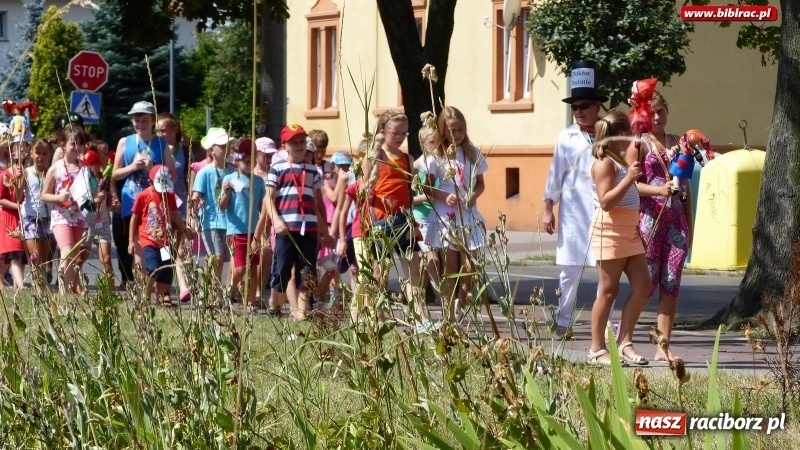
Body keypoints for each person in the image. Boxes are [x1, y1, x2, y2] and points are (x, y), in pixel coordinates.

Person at [626, 91, 692, 363]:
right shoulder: (638, 144)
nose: (657, 117)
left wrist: (690, 225)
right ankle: (624, 337)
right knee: (647, 283)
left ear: (668, 111)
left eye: (661, 111)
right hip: (649, 221)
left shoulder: (678, 143)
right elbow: (631, 184)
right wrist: (657, 190)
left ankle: (662, 347)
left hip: (676, 223)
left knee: (671, 284)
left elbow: (685, 189)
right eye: (651, 113)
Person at [541, 61, 606, 339]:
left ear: (597, 107)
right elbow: (555, 173)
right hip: (572, 212)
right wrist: (548, 208)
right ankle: (563, 319)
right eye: (574, 107)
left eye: (584, 106)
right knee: (570, 270)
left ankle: (603, 324)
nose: (579, 112)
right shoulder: (566, 137)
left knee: (606, 269)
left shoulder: (608, 134)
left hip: (603, 209)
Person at [586, 110, 651, 366]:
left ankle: (625, 342)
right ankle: (596, 349)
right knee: (609, 291)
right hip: (609, 231)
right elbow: (605, 202)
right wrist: (630, 180)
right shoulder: (605, 163)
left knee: (643, 286)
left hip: (628, 231)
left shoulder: (619, 160)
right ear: (622, 134)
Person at [360, 109, 431, 329]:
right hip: (381, 219)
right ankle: (377, 315)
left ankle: (420, 317)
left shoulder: (407, 158)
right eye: (395, 133)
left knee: (414, 268)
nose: (400, 138)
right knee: (381, 270)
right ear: (383, 132)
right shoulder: (375, 156)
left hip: (405, 219)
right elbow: (363, 188)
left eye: (404, 134)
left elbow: (409, 190)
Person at [261, 124, 332, 320]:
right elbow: (268, 198)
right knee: (282, 271)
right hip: (286, 229)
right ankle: (275, 303)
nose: (299, 145)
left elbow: (317, 204)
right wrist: (276, 220)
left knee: (307, 271)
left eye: (302, 141)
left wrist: (325, 232)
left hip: (308, 229)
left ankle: (301, 312)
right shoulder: (278, 169)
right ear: (285, 146)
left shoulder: (313, 171)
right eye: (294, 142)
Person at [425, 106, 488, 322]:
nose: (457, 134)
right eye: (452, 130)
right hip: (447, 218)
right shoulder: (436, 157)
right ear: (442, 130)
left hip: (468, 216)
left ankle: (463, 305)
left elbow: (480, 183)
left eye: (460, 129)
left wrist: (473, 195)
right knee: (451, 267)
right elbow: (427, 188)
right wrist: (443, 196)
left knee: (470, 267)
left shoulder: (472, 153)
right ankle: (451, 311)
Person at [111, 101, 175, 288]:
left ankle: (159, 285)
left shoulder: (161, 144)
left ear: (153, 121)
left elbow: (172, 174)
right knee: (137, 242)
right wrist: (131, 167)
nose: (140, 124)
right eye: (136, 120)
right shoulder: (125, 142)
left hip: (155, 202)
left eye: (145, 120)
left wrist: (152, 169)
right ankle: (140, 286)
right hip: (131, 200)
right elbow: (114, 174)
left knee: (157, 241)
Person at [129, 165, 191, 304]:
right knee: (153, 268)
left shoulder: (169, 196)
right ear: (150, 182)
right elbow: (134, 218)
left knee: (167, 270)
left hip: (165, 242)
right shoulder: (143, 196)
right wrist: (131, 241)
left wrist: (184, 229)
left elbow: (175, 214)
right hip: (148, 241)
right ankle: (146, 294)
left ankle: (162, 298)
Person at [220, 139, 266, 310]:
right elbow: (222, 206)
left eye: (252, 161)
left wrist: (263, 231)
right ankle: (230, 291)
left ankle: (251, 303)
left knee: (254, 267)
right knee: (240, 268)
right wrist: (225, 194)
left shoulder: (259, 181)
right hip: (236, 231)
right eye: (246, 161)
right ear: (236, 159)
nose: (250, 164)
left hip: (254, 232)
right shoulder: (229, 179)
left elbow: (263, 208)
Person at [41, 128, 89, 294]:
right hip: (61, 216)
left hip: (79, 216)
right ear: (63, 145)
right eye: (73, 143)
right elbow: (45, 195)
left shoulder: (84, 167)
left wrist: (96, 197)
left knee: (75, 255)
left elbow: (92, 188)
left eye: (80, 144)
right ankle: (62, 293)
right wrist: (59, 197)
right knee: (66, 251)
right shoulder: (56, 168)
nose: (77, 147)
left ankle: (68, 290)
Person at [190, 127, 235, 284]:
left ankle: (209, 288)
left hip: (230, 223)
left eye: (228, 145)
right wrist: (191, 219)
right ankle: (211, 290)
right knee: (217, 257)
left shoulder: (233, 170)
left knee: (222, 259)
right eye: (223, 146)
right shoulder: (205, 172)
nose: (227, 149)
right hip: (211, 221)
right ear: (211, 149)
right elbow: (195, 197)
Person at [157, 112, 192, 302]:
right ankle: (165, 291)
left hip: (181, 203)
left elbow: (190, 177)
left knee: (181, 248)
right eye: (157, 131)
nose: (160, 134)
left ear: (174, 130)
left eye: (163, 130)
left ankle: (184, 286)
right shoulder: (156, 149)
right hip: (162, 205)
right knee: (165, 249)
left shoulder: (184, 150)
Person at [20, 139, 53, 283]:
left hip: (47, 218)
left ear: (49, 155)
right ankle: (37, 283)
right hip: (30, 217)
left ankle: (41, 284)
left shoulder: (50, 173)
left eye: (44, 153)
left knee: (44, 259)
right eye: (37, 153)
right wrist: (18, 181)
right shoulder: (27, 172)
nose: (40, 157)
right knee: (36, 255)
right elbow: (17, 196)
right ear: (31, 153)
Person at [0, 143, 27, 290]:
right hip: (7, 217)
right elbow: (1, 198)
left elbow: (20, 196)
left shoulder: (23, 175)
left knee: (14, 254)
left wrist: (20, 180)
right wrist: (17, 206)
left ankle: (16, 284)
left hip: (19, 218)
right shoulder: (4, 175)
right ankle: (20, 285)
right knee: (12, 252)